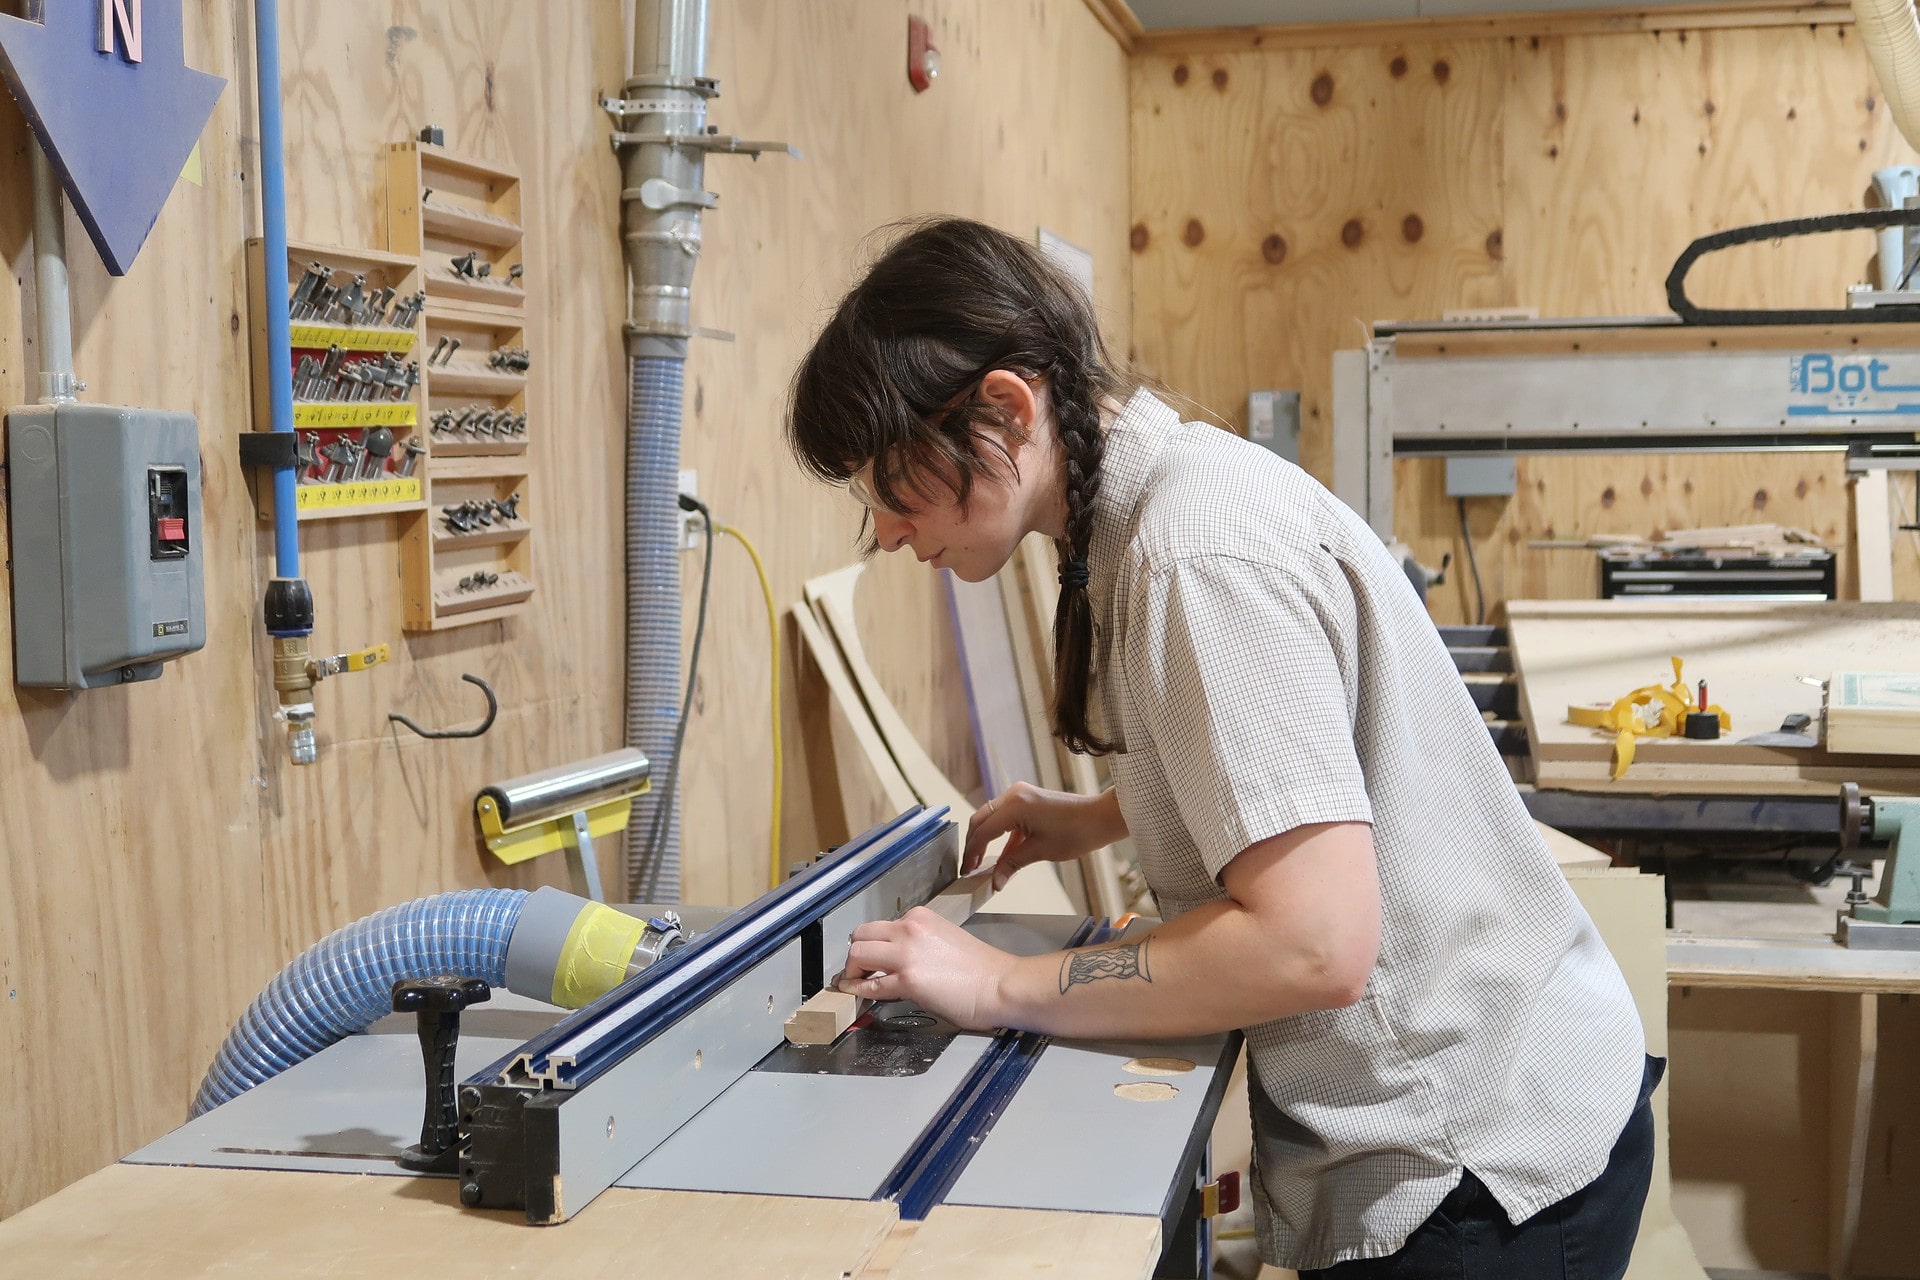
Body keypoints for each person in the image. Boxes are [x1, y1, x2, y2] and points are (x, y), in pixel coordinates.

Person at [785, 216, 1659, 1279]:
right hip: (1503, 1104)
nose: (885, 530)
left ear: (1006, 410)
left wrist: (1001, 984)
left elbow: (1313, 945)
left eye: (890, 484)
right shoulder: (1155, 505)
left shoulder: (1193, 554)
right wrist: (1103, 813)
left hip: (1475, 1162)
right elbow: (1293, 755)